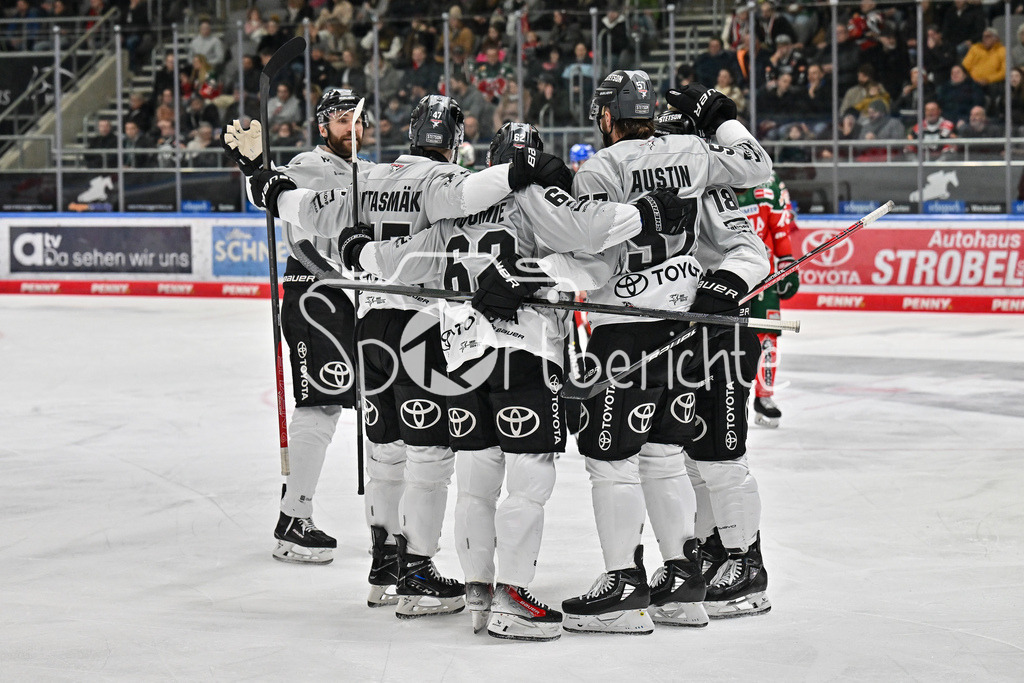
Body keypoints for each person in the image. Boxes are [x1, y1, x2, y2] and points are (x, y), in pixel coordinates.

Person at [336, 121, 693, 640]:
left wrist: (354, 251)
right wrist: (646, 215)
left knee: (476, 478)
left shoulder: (459, 204)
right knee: (529, 478)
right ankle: (513, 597)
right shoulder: (537, 200)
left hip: (459, 354)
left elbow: (401, 264)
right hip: (523, 351)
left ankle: (478, 591)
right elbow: (590, 245)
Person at [231, 94, 574, 617]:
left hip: (368, 322)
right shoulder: (443, 182)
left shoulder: (364, 179)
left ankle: (381, 567)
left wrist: (258, 172)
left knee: (384, 448)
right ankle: (416, 571)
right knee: (430, 454)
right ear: (457, 143)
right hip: (419, 323)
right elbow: (482, 193)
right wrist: (526, 164)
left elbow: (292, 206)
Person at [551, 70, 772, 633]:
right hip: (683, 324)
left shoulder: (601, 168)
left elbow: (593, 255)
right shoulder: (695, 152)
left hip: (627, 326)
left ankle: (628, 584)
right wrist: (722, 118)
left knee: (613, 461)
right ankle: (682, 581)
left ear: (606, 115)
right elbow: (756, 165)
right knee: (669, 456)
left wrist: (542, 267)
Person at [222, 89, 374, 567]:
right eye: (343, 119)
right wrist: (254, 167)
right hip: (314, 295)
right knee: (322, 405)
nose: (353, 127)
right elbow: (268, 192)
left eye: (359, 120)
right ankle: (293, 519)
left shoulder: (365, 171)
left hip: (350, 300)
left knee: (337, 406)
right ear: (324, 125)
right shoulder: (311, 163)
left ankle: (301, 515)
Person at [735, 171, 799, 427]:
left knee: (768, 337)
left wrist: (787, 262)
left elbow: (781, 226)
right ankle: (729, 395)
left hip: (765, 274)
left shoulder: (768, 182)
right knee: (724, 337)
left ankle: (764, 396)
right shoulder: (712, 173)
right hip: (725, 272)